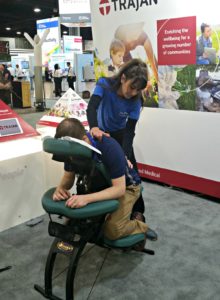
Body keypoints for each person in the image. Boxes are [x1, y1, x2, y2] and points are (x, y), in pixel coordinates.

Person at [53, 118, 156, 248]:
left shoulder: (108, 146)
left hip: (127, 186)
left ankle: (140, 226)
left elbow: (119, 189)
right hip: (99, 185)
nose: (71, 159)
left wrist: (86, 198)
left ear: (85, 139)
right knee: (73, 220)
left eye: (72, 156)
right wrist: (60, 189)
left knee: (112, 231)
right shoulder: (71, 147)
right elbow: (68, 177)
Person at [86, 59, 158, 240]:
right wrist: (94, 127)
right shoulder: (105, 84)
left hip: (120, 137)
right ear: (123, 77)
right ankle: (96, 217)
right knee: (97, 174)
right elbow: (92, 106)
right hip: (98, 134)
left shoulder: (136, 101)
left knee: (132, 177)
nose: (132, 92)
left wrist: (125, 155)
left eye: (137, 89)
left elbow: (129, 131)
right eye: (131, 87)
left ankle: (138, 216)